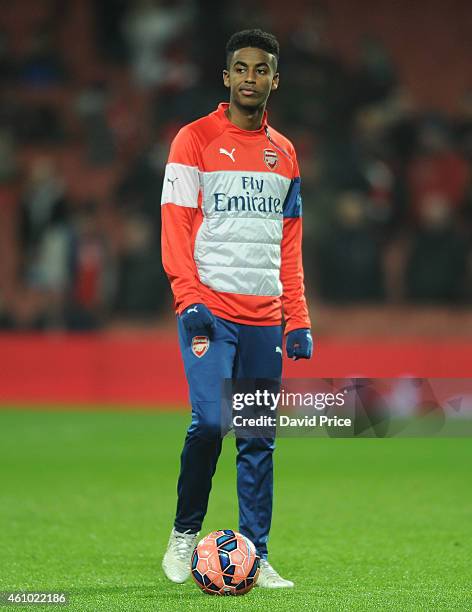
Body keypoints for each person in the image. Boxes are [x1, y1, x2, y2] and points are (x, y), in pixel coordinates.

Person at [160, 29, 312, 589]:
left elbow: (289, 244)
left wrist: (297, 318)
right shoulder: (194, 140)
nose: (252, 78)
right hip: (209, 312)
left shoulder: (287, 154)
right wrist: (188, 297)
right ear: (226, 78)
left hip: (262, 318)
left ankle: (257, 553)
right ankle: (183, 533)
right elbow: (174, 223)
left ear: (276, 79)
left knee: (256, 437)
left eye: (262, 69)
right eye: (241, 69)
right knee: (212, 422)